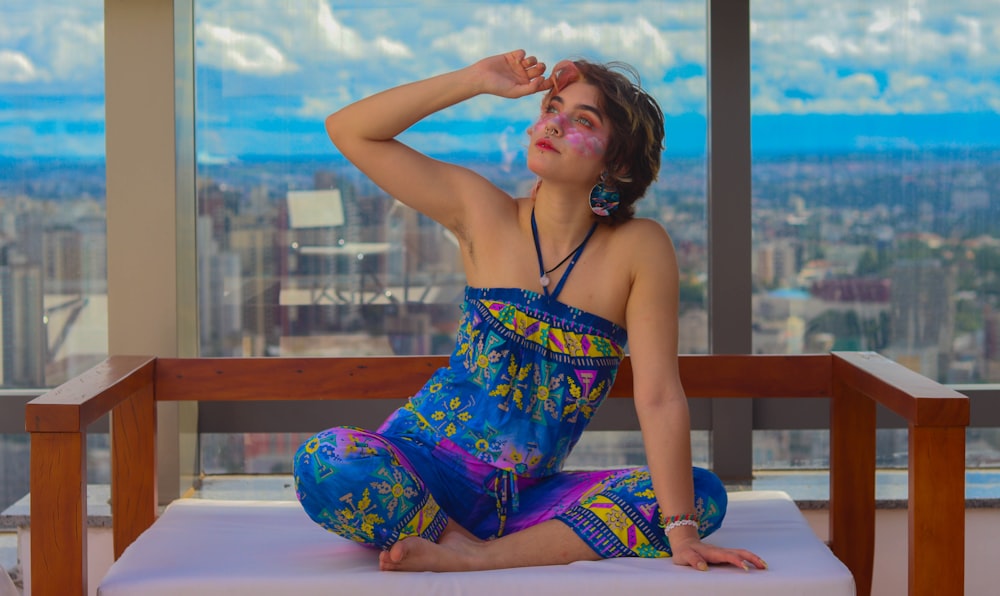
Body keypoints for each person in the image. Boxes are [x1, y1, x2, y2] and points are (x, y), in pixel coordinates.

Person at [293, 49, 766, 574]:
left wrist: (682, 536)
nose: (554, 125)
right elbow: (349, 130)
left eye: (581, 120)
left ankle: (477, 556)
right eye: (552, 109)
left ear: (619, 162)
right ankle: (448, 538)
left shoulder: (640, 248)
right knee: (327, 460)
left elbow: (658, 397)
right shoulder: (483, 211)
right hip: (420, 472)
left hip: (530, 503)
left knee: (699, 497)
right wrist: (475, 79)